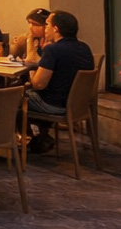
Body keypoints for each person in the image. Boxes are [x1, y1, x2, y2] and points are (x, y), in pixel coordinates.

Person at [26, 10, 96, 153]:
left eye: (47, 25)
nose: (45, 28)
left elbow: (39, 84)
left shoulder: (53, 50)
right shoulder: (84, 47)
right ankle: (42, 138)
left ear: (55, 28)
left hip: (55, 105)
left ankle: (27, 141)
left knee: (10, 99)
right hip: (77, 104)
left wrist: (31, 75)